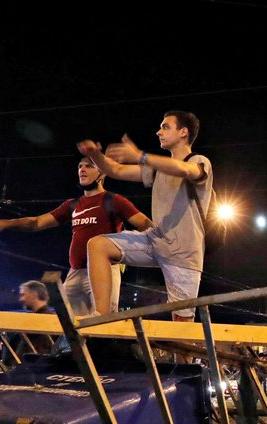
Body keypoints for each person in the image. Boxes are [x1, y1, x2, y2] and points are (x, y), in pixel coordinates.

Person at [77, 110, 212, 322]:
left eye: (166, 127)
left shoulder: (199, 161)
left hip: (183, 253)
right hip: (155, 241)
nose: (159, 132)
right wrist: (94, 154)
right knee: (97, 245)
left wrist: (141, 156)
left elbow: (185, 170)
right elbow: (117, 170)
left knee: (182, 330)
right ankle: (102, 316)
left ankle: (183, 354)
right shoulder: (156, 169)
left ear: (184, 132)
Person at [0, 157, 151, 316]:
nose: (82, 169)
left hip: (104, 272)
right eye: (79, 166)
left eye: (88, 166)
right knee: (67, 325)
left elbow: (145, 224)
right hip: (75, 273)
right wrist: (2, 224)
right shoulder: (73, 205)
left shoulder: (114, 201)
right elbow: (37, 222)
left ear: (103, 173)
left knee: (101, 324)